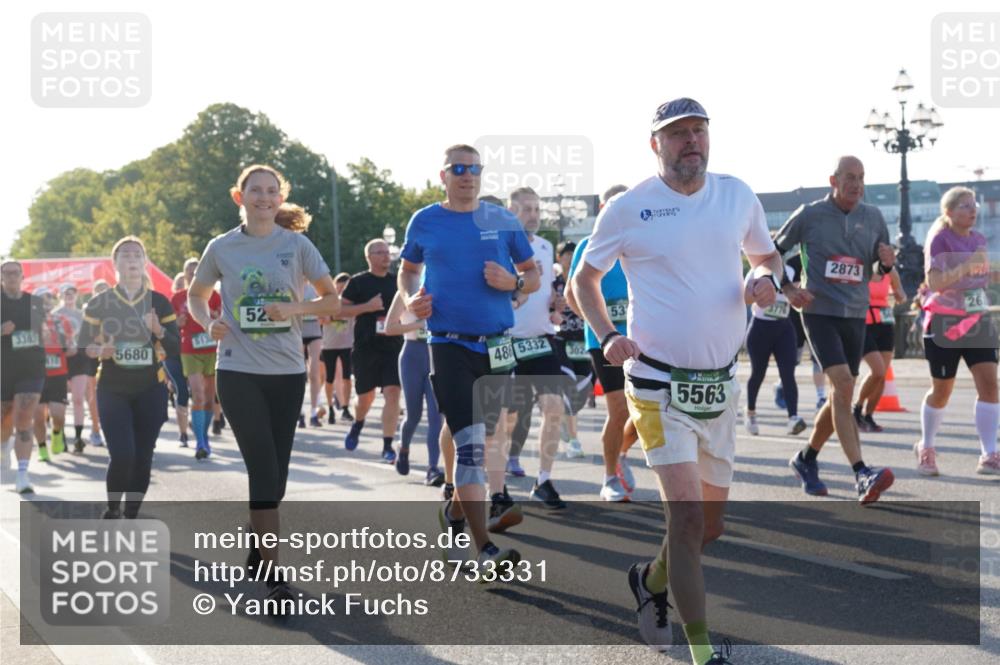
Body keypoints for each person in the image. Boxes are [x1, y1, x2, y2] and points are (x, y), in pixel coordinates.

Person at [573, 98, 780, 663]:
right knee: (685, 518)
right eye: (678, 134)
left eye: (699, 131)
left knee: (709, 527)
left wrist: (763, 278)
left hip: (719, 385)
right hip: (657, 384)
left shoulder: (737, 194)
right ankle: (703, 651)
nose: (691, 141)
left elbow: (766, 256)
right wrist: (607, 333)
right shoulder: (627, 208)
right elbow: (584, 282)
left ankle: (649, 579)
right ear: (655, 144)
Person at [188, 164, 339, 605]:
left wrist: (292, 310)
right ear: (241, 196)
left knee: (278, 477)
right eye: (256, 191)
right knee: (263, 468)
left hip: (287, 372)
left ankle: (257, 539)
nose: (264, 198)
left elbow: (332, 300)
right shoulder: (222, 247)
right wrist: (208, 319)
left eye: (272, 192)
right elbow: (198, 295)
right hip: (236, 370)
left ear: (279, 198)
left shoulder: (297, 245)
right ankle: (274, 575)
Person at [399, 143, 539, 571]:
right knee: (472, 448)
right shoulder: (425, 221)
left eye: (474, 168)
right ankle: (485, 550)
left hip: (497, 347)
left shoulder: (502, 220)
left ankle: (454, 513)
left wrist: (512, 280)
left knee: (484, 445)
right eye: (458, 168)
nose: (467, 175)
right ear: (443, 175)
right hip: (449, 344)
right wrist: (410, 298)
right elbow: (407, 271)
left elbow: (532, 276)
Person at [776, 156, 896, 503]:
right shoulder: (809, 214)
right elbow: (773, 253)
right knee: (844, 384)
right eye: (849, 177)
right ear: (834, 180)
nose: (856, 184)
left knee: (841, 393)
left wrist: (886, 263)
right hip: (819, 310)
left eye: (861, 178)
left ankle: (806, 459)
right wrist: (788, 289)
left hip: (855, 312)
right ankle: (861, 473)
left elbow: (877, 266)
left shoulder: (873, 216)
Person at [77, 236, 180, 517]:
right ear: (115, 264)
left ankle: (132, 515)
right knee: (123, 455)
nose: (132, 259)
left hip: (151, 388)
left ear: (144, 263)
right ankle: (112, 509)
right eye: (125, 255)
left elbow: (175, 346)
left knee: (143, 457)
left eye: (137, 255)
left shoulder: (159, 302)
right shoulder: (99, 303)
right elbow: (82, 346)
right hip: (112, 389)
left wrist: (158, 329)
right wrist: (100, 349)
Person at [916, 186, 998, 475]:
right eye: (964, 205)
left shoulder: (979, 239)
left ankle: (989, 453)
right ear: (948, 212)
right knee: (942, 392)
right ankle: (926, 446)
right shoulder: (939, 240)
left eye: (973, 204)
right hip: (945, 323)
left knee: (990, 384)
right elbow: (936, 283)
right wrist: (967, 266)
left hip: (977, 319)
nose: (972, 209)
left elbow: (983, 277)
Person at [566, 184, 637, 502]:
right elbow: (572, 293)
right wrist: (601, 325)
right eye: (613, 206)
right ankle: (609, 477)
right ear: (602, 208)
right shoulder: (589, 244)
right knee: (619, 407)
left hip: (642, 337)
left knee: (649, 409)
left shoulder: (642, 242)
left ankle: (620, 452)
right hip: (604, 339)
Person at [502, 186, 568, 512]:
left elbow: (546, 298)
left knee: (554, 408)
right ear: (511, 212)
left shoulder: (544, 246)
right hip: (506, 340)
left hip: (540, 340)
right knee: (506, 418)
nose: (533, 215)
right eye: (526, 209)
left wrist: (556, 303)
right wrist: (519, 279)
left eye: (537, 209)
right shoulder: (499, 246)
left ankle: (543, 480)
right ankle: (495, 487)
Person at [339, 240, 404, 462]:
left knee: (393, 393)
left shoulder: (398, 282)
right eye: (381, 253)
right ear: (369, 257)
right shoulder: (358, 282)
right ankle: (358, 423)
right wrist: (367, 306)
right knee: (365, 397)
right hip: (366, 347)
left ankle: (388, 446)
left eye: (388, 252)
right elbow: (339, 310)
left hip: (393, 346)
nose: (386, 256)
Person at [384, 290, 443, 483]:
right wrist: (418, 325)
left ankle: (433, 468)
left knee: (436, 415)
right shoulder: (404, 291)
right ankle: (404, 448)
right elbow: (389, 327)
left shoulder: (441, 284)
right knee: (413, 415)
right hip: (412, 355)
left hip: (437, 355)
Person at [742, 262, 807, 436]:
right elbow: (745, 296)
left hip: (783, 328)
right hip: (760, 329)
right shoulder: (756, 270)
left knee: (788, 374)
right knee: (758, 373)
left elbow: (796, 302)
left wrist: (799, 294)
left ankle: (793, 417)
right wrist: (757, 291)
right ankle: (750, 413)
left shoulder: (791, 269)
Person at [1, 260, 47, 493]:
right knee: (3, 420)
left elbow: (41, 333)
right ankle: (3, 446)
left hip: (31, 368)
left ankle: (22, 475)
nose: (11, 277)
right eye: (6, 273)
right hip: (3, 369)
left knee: (23, 418)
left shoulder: (35, 303)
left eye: (15, 273)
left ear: (22, 275)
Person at [173, 259, 223, 458]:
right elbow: (171, 326)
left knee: (210, 399)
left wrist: (214, 316)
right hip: (190, 349)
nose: (194, 276)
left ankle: (204, 435)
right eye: (190, 273)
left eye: (197, 272)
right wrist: (178, 322)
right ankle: (200, 442)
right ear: (185, 276)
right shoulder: (177, 298)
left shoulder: (215, 296)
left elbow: (222, 318)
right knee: (198, 394)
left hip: (211, 349)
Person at [552, 240, 593, 461]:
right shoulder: (554, 283)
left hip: (583, 342)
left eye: (572, 253)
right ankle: (574, 439)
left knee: (581, 391)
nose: (569, 257)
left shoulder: (585, 281)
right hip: (561, 341)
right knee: (568, 387)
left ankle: (562, 422)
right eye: (565, 254)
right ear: (559, 258)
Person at [853, 267, 907, 432]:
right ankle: (856, 409)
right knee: (877, 370)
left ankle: (869, 416)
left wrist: (899, 296)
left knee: (882, 375)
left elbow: (901, 295)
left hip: (885, 323)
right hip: (863, 322)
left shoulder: (890, 271)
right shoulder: (861, 268)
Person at [774, 252, 828, 411]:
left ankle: (821, 397)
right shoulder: (792, 262)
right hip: (795, 318)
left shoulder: (822, 258)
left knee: (818, 360)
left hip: (818, 316)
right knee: (793, 360)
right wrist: (802, 286)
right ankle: (780, 385)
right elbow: (783, 286)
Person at [33, 288, 75, 461]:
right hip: (36, 375)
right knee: (38, 417)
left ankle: (57, 433)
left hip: (58, 373)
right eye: (41, 298)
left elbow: (71, 347)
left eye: (48, 297)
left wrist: (68, 349)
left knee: (58, 415)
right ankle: (42, 449)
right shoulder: (30, 321)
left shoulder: (62, 320)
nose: (45, 301)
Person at [320, 273, 355, 424]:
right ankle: (331, 409)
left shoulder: (352, 301)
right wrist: (333, 315)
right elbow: (322, 319)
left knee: (347, 378)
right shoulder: (328, 301)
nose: (343, 289)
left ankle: (346, 407)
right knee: (329, 378)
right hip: (329, 345)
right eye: (340, 286)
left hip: (347, 344)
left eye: (346, 286)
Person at [165, 273, 193, 449]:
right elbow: (163, 328)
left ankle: (193, 422)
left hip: (194, 351)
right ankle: (183, 433)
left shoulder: (203, 297)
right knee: (181, 390)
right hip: (174, 354)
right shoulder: (172, 301)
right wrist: (176, 323)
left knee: (197, 392)